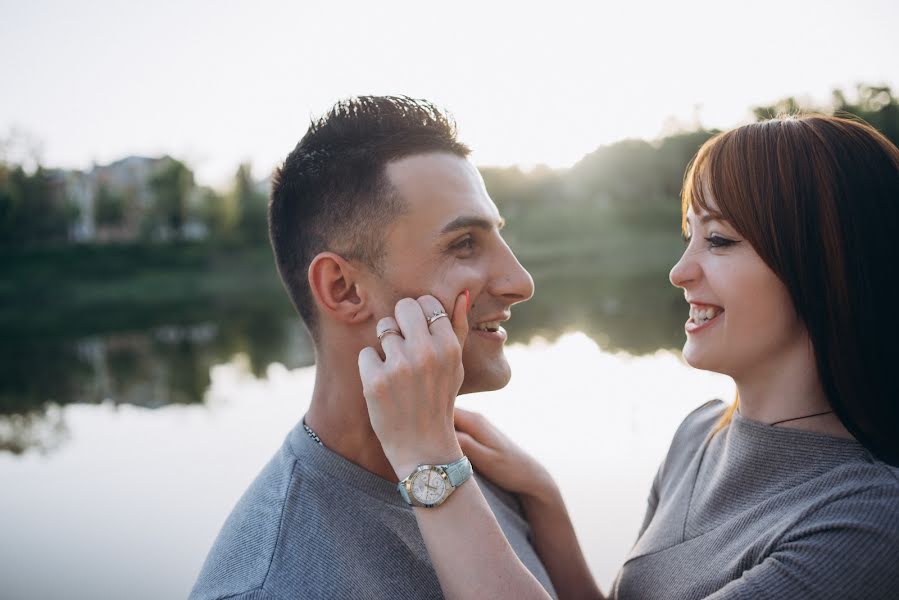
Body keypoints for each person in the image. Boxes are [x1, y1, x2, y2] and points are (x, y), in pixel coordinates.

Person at [359, 114, 899, 599]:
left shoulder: (867, 521)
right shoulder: (700, 434)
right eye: (690, 234)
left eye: (720, 239)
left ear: (827, 265)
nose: (680, 271)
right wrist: (545, 500)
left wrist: (429, 464)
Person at [189, 96, 557, 599]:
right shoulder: (269, 586)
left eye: (496, 236)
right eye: (464, 243)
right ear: (343, 288)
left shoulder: (481, 467)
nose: (520, 281)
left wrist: (541, 499)